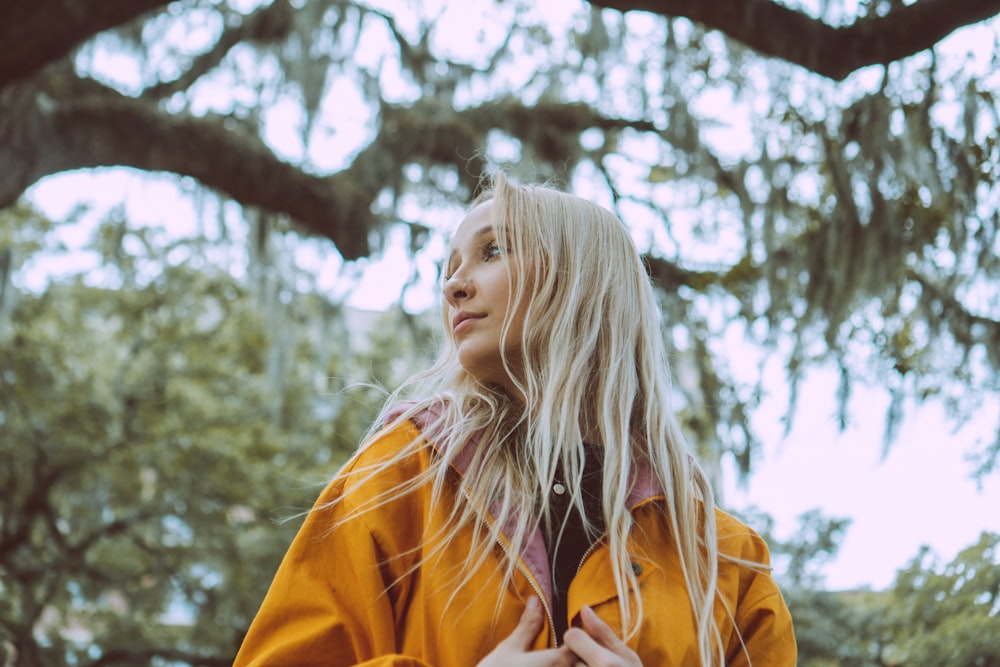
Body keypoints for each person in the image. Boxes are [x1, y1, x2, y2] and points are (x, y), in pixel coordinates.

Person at [233, 173, 796, 666]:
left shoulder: (727, 561)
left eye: (494, 250)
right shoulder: (402, 475)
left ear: (584, 280)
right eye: (451, 267)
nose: (453, 286)